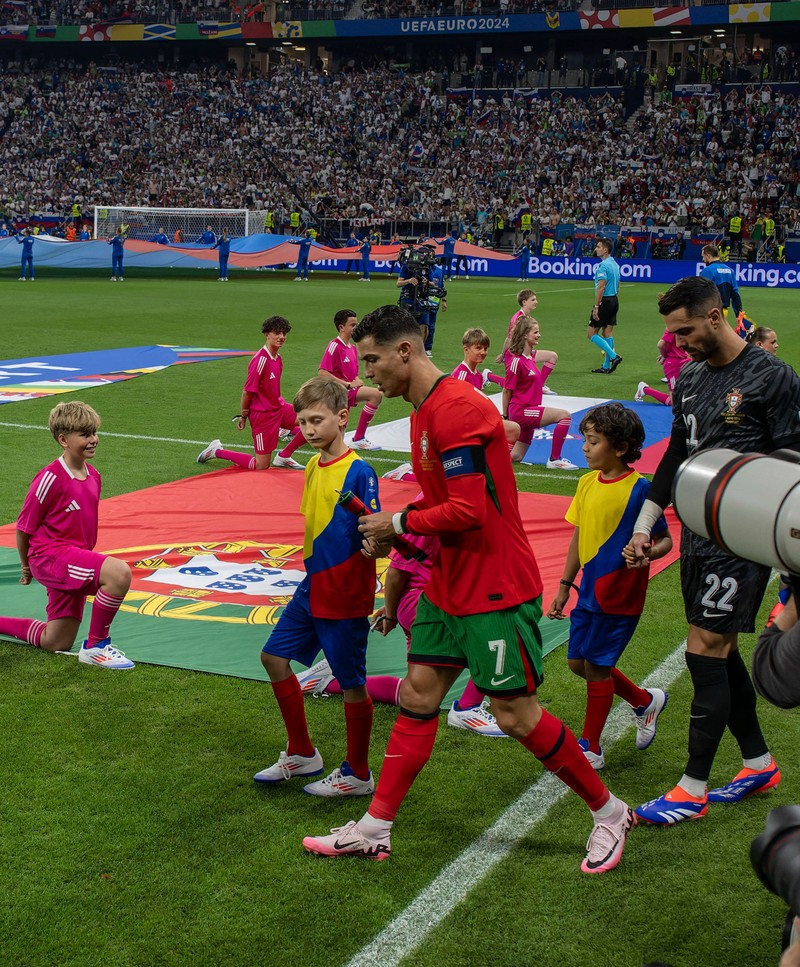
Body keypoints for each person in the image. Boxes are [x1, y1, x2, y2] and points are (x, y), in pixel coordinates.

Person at [302, 305, 636, 873]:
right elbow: (446, 497)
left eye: (374, 360)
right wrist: (400, 535)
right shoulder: (425, 408)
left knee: (514, 714)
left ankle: (610, 812)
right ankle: (376, 827)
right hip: (448, 583)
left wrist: (399, 525)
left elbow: (469, 509)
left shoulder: (453, 409)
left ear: (405, 351)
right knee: (418, 695)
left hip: (494, 587)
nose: (368, 375)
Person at [626, 276, 800, 825]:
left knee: (703, 647)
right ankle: (757, 763)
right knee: (717, 652)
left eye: (687, 330)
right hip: (697, 535)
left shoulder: (773, 378)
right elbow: (674, 455)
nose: (680, 343)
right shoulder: (691, 378)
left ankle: (691, 787)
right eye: (673, 334)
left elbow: (795, 463)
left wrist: (789, 564)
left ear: (716, 315)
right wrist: (646, 524)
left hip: (744, 539)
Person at [253, 378, 379, 797]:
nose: (307, 430)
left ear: (343, 418)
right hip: (313, 585)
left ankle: (358, 773)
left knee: (351, 682)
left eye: (316, 420)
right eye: (303, 421)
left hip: (345, 591)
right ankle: (303, 752)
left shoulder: (360, 470)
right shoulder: (311, 466)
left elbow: (373, 528)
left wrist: (374, 543)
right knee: (273, 657)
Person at [547, 404, 672, 770]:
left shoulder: (641, 490)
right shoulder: (586, 482)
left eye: (593, 441)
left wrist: (648, 550)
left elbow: (663, 540)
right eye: (585, 440)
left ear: (619, 447)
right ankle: (643, 701)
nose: (584, 448)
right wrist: (564, 585)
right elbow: (579, 536)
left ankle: (590, 747)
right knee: (577, 663)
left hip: (620, 593)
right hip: (588, 590)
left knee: (598, 666)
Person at [297, 522, 507, 738]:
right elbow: (397, 570)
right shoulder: (428, 506)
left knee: (415, 694)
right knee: (503, 631)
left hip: (435, 599)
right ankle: (468, 708)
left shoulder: (457, 503)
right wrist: (390, 612)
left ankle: (332, 680)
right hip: (426, 603)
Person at [0, 401, 134, 669]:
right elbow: (24, 528)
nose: (94, 439)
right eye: (85, 434)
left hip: (73, 557)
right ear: (63, 439)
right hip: (50, 557)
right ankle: (97, 646)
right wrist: (26, 566)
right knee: (119, 574)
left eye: (94, 432)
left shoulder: (93, 475)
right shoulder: (49, 478)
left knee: (56, 640)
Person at [196, 316, 305, 471]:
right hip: (263, 416)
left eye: (284, 333)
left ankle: (284, 455)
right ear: (267, 334)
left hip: (279, 409)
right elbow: (247, 392)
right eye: (277, 333)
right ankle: (216, 451)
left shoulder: (277, 358)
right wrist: (244, 416)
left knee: (312, 421)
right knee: (261, 465)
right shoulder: (260, 361)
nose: (281, 337)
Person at [281, 309, 382, 460]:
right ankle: (284, 452)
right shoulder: (334, 346)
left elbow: (353, 372)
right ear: (342, 327)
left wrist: (356, 381)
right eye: (353, 325)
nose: (356, 327)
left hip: (347, 392)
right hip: (335, 393)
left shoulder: (353, 348)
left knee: (332, 434)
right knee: (323, 430)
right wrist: (348, 384)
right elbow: (322, 372)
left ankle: (286, 448)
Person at [504, 317, 578, 470]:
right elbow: (507, 390)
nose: (539, 335)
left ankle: (484, 458)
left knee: (515, 457)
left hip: (529, 409)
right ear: (525, 334)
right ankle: (555, 459)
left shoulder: (530, 358)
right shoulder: (517, 361)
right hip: (521, 411)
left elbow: (552, 356)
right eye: (535, 332)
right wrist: (506, 417)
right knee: (564, 416)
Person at [453, 328, 520, 448]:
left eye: (485, 348)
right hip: (465, 426)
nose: (483, 352)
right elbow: (455, 408)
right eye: (478, 348)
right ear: (466, 349)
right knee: (513, 429)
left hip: (476, 421)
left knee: (513, 429)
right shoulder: (461, 375)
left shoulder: (478, 375)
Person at [588, 237, 623, 374]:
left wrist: (596, 307)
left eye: (598, 246)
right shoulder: (614, 264)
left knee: (591, 334)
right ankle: (606, 366)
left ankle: (614, 357)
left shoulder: (603, 266)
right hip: (614, 300)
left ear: (605, 249)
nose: (596, 249)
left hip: (605, 301)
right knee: (607, 332)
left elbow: (601, 288)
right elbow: (618, 285)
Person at [635, 321, 691, 407]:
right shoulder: (677, 325)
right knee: (675, 402)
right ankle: (645, 389)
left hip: (682, 361)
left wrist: (665, 355)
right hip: (676, 364)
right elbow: (660, 345)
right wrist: (665, 355)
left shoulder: (677, 323)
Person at [699, 244, 743, 319]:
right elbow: (735, 294)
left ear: (708, 256)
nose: (703, 259)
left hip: (710, 312)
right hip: (723, 312)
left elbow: (702, 293)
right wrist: (739, 314)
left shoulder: (708, 270)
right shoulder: (730, 270)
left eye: (703, 256)